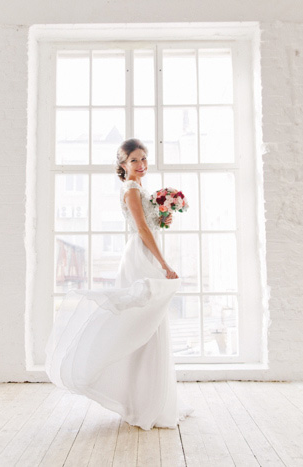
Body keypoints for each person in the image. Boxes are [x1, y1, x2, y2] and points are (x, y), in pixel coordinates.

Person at [45, 138, 193, 430]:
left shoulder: (138, 189)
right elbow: (140, 229)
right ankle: (144, 402)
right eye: (134, 160)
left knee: (149, 325)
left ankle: (148, 400)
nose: (141, 164)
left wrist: (163, 215)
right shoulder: (132, 189)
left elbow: (150, 224)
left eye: (144, 158)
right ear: (123, 165)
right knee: (145, 324)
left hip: (144, 253)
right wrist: (164, 264)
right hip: (141, 256)